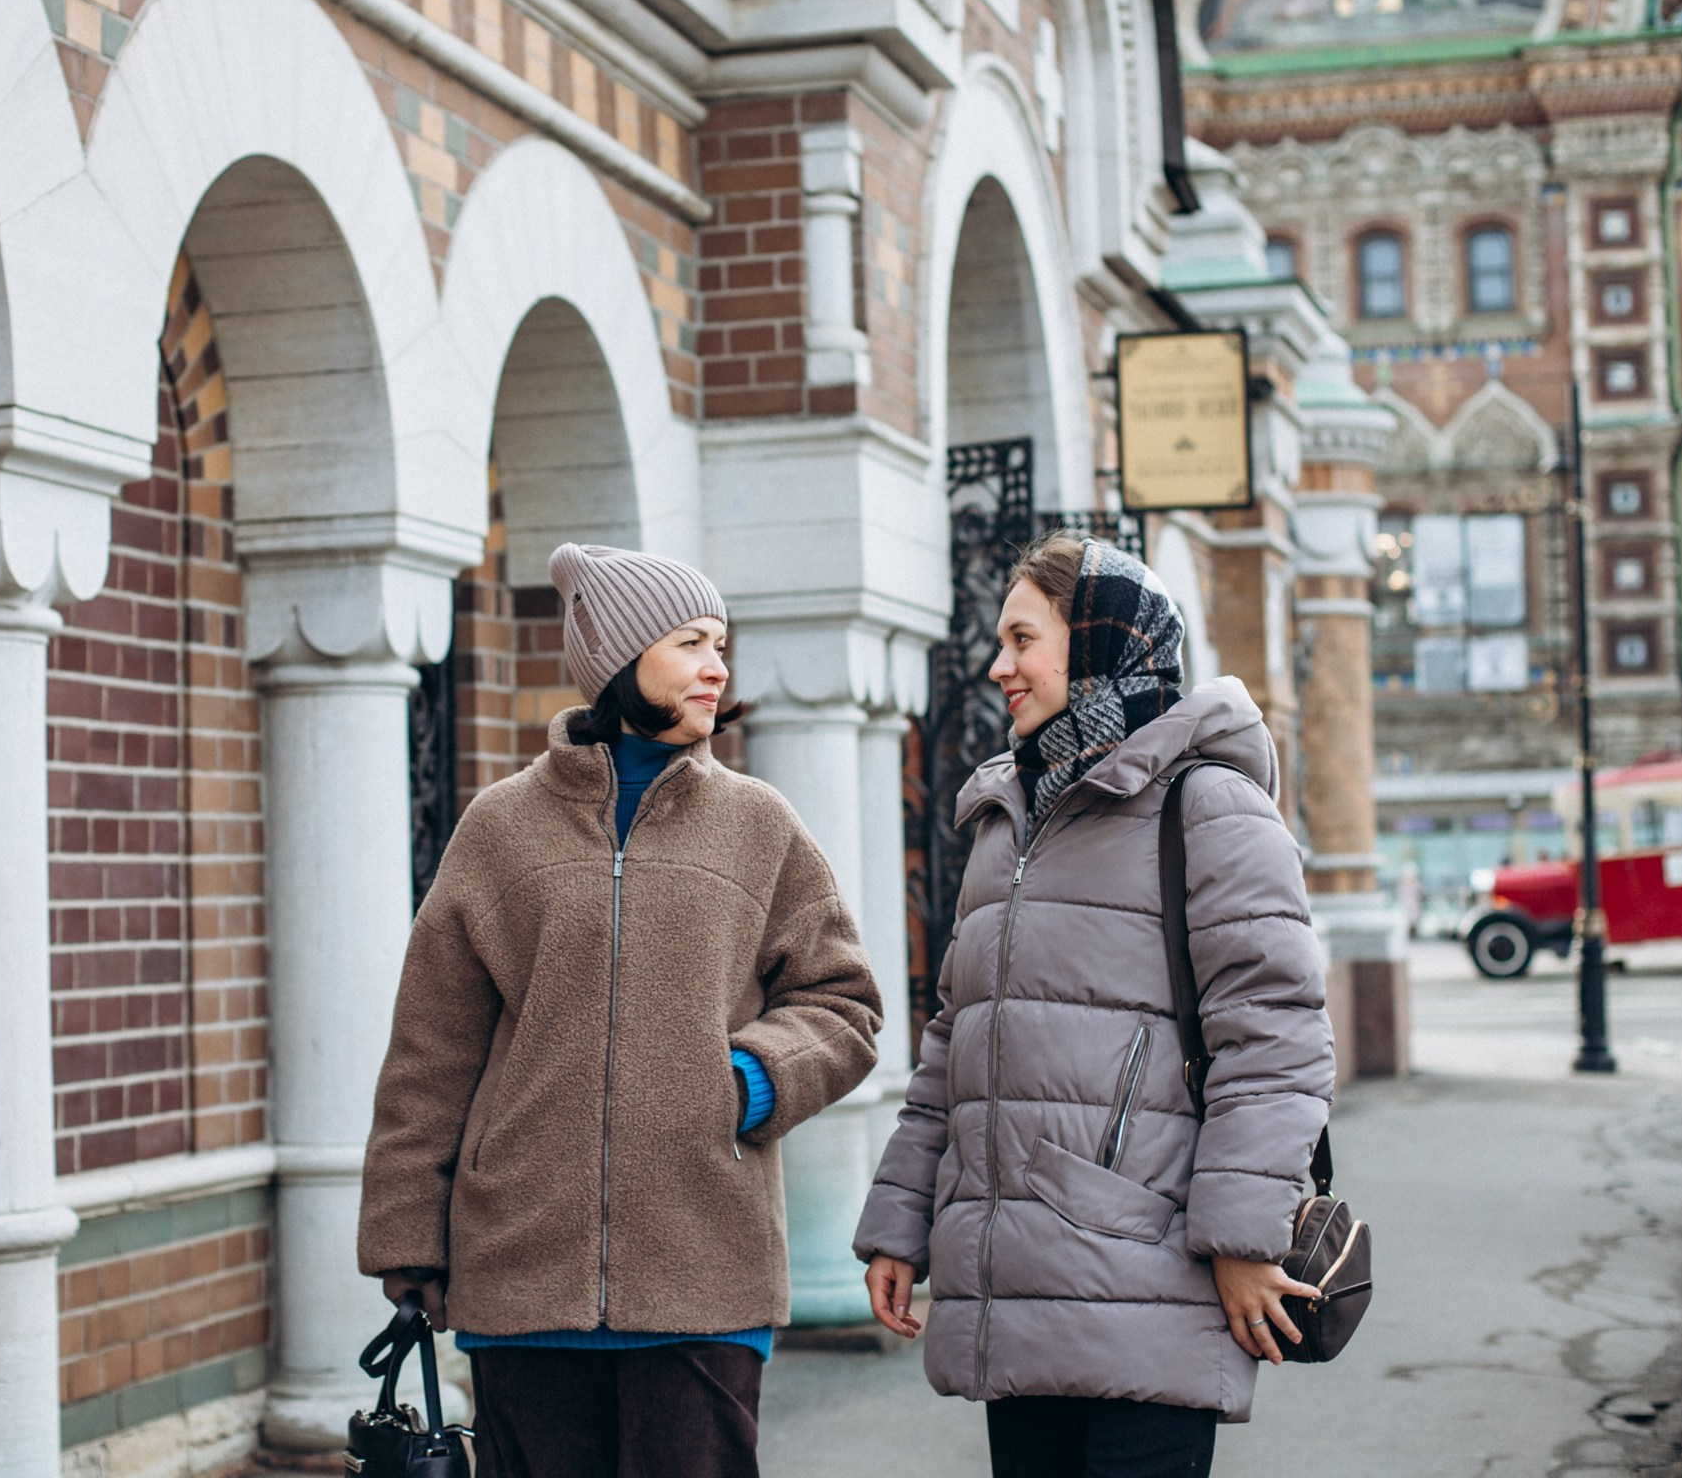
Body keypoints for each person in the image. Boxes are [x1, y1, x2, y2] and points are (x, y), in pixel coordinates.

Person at [360, 541, 883, 1478]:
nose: (717, 667)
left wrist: (747, 1082)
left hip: (703, 1271)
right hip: (522, 1279)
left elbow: (843, 1004)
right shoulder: (499, 827)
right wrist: (408, 1238)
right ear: (618, 658)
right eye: (691, 642)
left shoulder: (759, 824)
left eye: (721, 644)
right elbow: (431, 1050)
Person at [854, 534, 1335, 1478]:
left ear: (1098, 645)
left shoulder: (1208, 807)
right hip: (1016, 1287)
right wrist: (898, 1225)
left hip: (1150, 1272)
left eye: (1022, 640)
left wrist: (1242, 1238)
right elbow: (955, 1040)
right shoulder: (1008, 819)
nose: (998, 667)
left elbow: (1274, 1039)